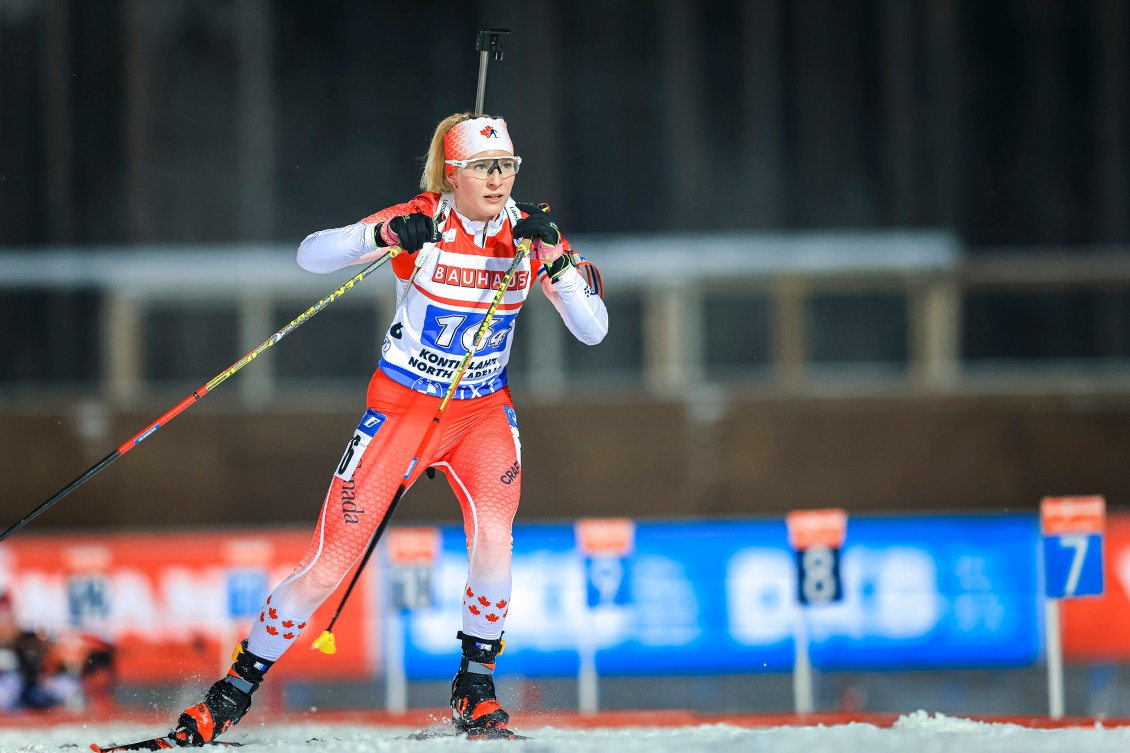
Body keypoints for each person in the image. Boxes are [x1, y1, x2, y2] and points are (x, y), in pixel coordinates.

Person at [170, 113, 607, 744]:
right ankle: (231, 692)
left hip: (480, 412)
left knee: (494, 538)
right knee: (329, 565)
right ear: (452, 174)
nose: (497, 179)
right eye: (483, 167)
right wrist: (384, 233)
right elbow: (310, 255)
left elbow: (591, 329)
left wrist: (557, 259)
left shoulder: (528, 232)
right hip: (403, 410)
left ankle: (475, 686)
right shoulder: (426, 216)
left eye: (506, 166)